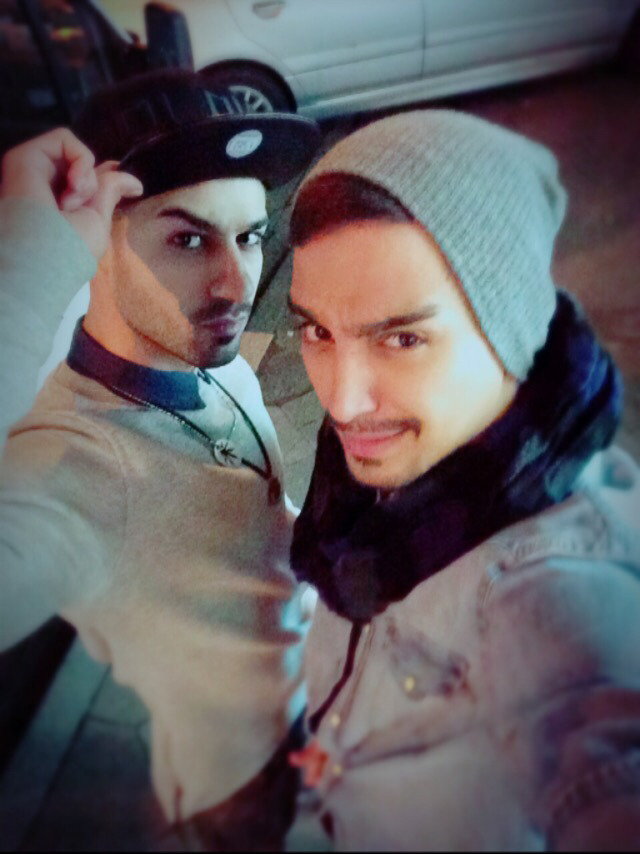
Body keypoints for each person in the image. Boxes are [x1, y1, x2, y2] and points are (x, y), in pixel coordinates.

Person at [286, 110, 640, 850]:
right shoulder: (393, 467)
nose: (342, 402)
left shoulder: (550, 586)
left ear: (514, 328)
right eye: (316, 331)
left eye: (403, 337)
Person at [0, 69, 320, 849]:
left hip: (312, 701)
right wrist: (24, 275)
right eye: (187, 239)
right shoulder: (75, 472)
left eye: (250, 236)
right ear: (91, 250)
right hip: (240, 783)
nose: (236, 283)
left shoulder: (213, 360)